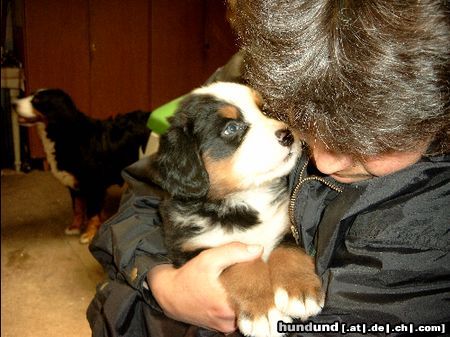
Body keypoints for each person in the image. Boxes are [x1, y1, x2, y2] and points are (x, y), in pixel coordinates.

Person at [87, 1, 450, 336]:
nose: (321, 160)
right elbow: (145, 194)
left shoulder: (430, 228)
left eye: (369, 141)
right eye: (295, 114)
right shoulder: (271, 58)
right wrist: (161, 284)